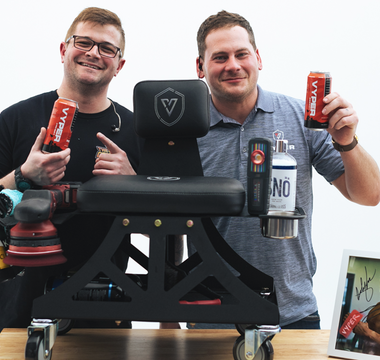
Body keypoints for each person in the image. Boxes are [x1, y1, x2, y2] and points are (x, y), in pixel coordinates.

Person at [186, 10, 380, 329]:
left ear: (258, 58)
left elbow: (370, 196)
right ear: (200, 67)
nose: (233, 65)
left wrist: (347, 142)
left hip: (293, 312)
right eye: (219, 57)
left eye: (241, 54)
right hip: (210, 316)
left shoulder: (301, 118)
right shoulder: (185, 131)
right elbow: (170, 223)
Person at [0, 7, 143, 331]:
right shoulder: (14, 119)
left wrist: (135, 187)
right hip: (18, 311)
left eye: (107, 48)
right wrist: (23, 177)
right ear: (64, 50)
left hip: (106, 310)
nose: (94, 53)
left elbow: (169, 230)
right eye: (84, 42)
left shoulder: (137, 131)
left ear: (119, 65)